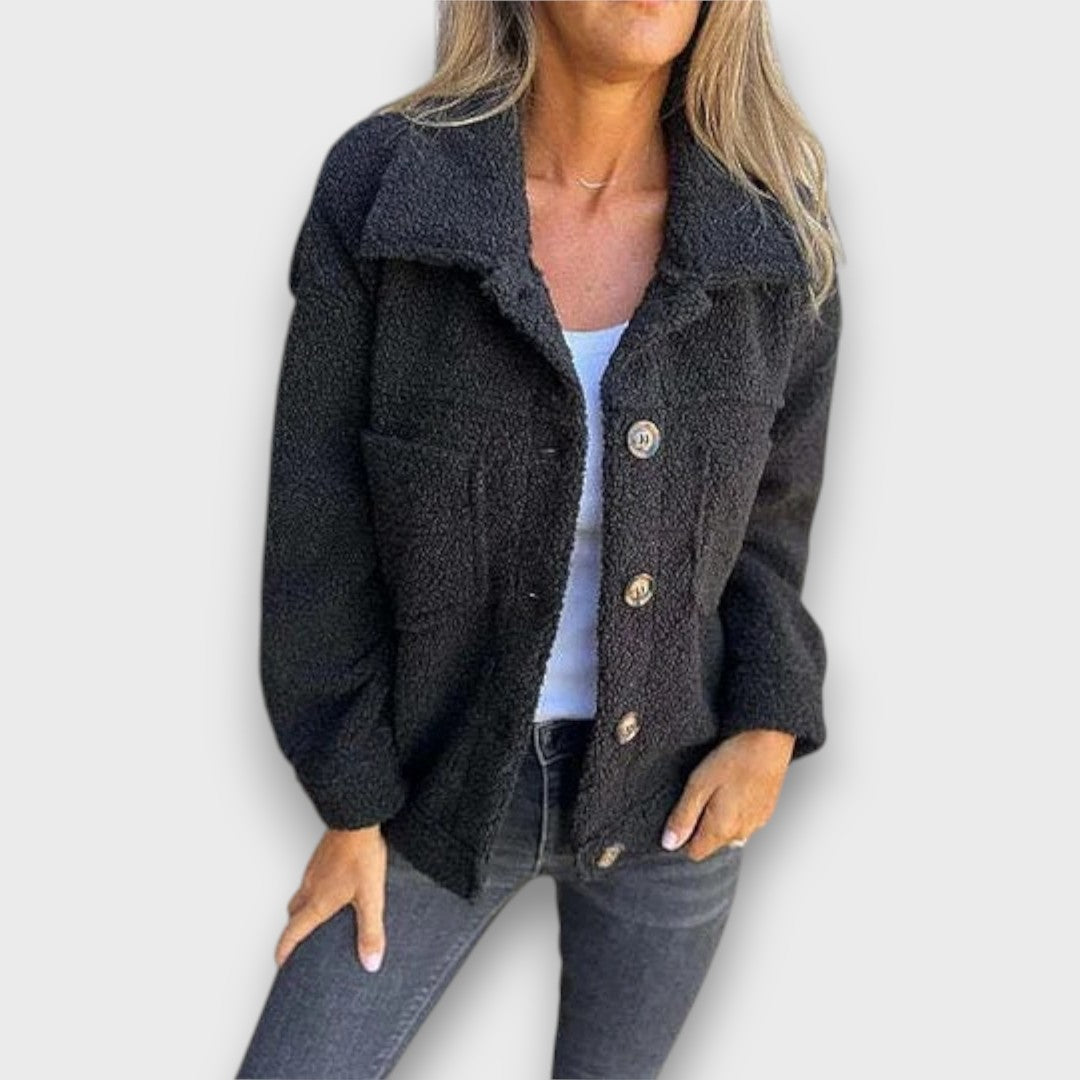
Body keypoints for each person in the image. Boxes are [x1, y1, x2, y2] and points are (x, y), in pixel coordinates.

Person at [237, 1, 843, 1077]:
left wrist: (766, 725)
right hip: (430, 788)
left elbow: (773, 519)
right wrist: (351, 799)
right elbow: (317, 527)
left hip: (675, 804)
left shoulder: (773, 230)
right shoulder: (389, 192)